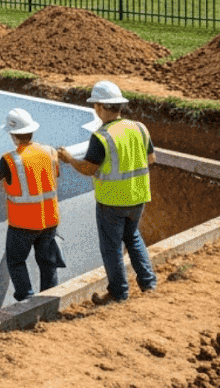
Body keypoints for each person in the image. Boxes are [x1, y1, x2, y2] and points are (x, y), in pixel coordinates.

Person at [0, 107, 82, 302]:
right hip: (49, 220)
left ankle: (26, 299)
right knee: (48, 263)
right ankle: (49, 299)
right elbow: (51, 176)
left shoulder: (11, 160)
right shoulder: (49, 152)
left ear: (13, 135)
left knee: (16, 261)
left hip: (23, 224)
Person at [68, 80, 157, 302]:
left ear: (99, 107)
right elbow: (151, 159)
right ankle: (149, 284)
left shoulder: (101, 136)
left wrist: (68, 159)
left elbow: (88, 168)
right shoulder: (139, 128)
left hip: (112, 201)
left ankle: (118, 293)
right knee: (133, 237)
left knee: (112, 248)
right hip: (138, 196)